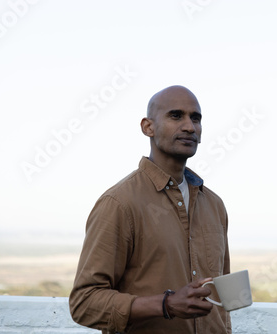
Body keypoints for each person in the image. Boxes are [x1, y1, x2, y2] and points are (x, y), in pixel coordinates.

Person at [69, 85, 231, 333]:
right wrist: (166, 304)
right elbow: (84, 303)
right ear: (148, 127)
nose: (189, 126)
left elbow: (221, 301)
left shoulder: (214, 204)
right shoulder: (119, 203)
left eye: (195, 118)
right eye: (176, 116)